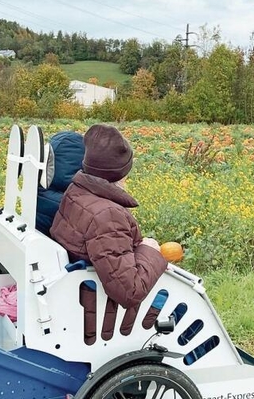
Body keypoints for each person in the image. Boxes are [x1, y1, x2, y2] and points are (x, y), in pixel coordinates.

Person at [49, 124, 168, 343]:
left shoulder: (76, 192)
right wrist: (150, 251)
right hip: (101, 319)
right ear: (119, 173)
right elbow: (128, 292)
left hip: (81, 301)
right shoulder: (107, 216)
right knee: (170, 305)